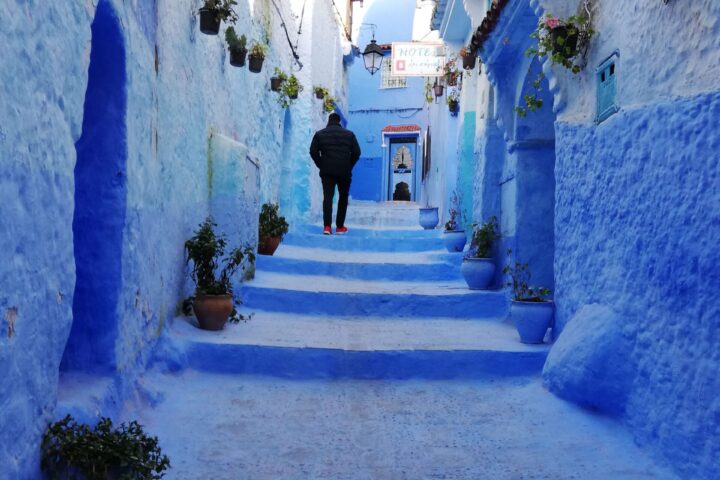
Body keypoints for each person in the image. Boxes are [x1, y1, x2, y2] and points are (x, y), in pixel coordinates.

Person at [309, 113, 361, 235]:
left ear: (329, 121)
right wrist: (349, 165)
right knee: (343, 198)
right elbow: (357, 152)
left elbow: (313, 151)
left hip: (327, 171)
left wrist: (321, 164)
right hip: (344, 171)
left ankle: (327, 227)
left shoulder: (319, 134)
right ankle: (339, 227)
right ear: (339, 122)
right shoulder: (349, 135)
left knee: (327, 197)